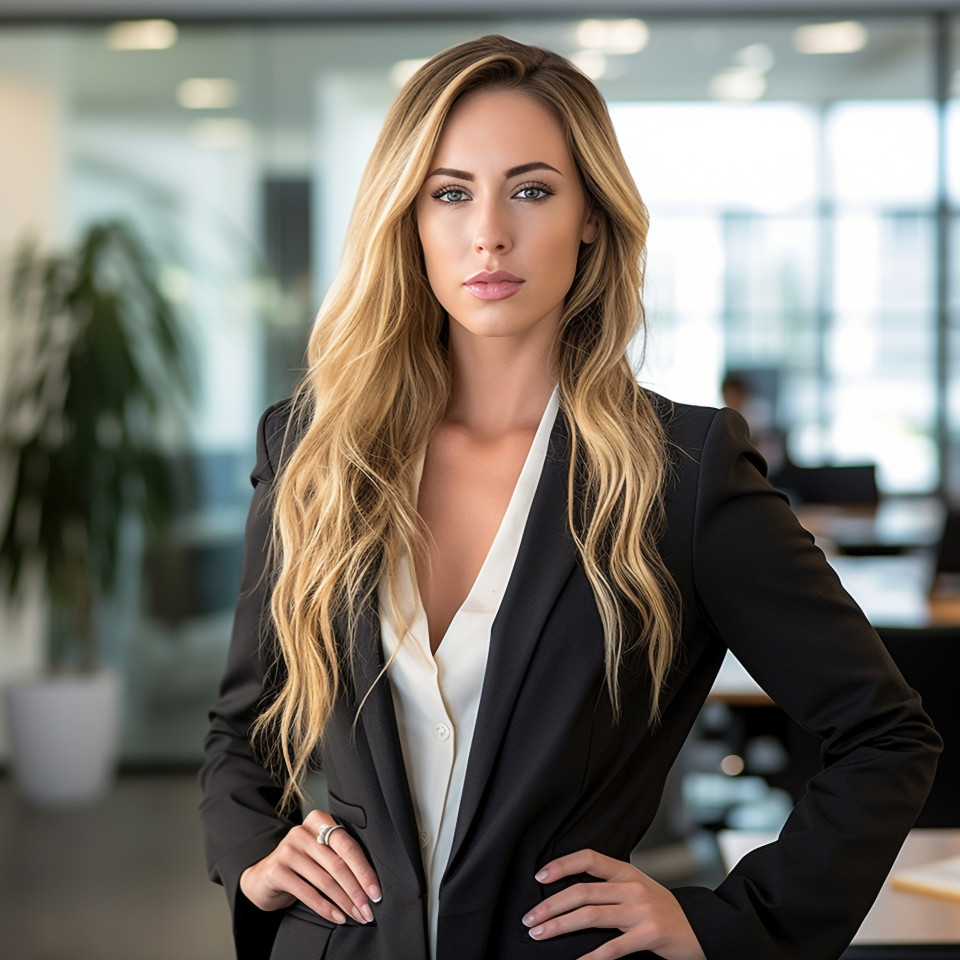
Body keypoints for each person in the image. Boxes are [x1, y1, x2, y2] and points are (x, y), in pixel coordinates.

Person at [199, 35, 940, 960]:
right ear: (409, 216)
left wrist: (731, 923)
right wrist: (255, 854)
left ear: (591, 215)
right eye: (451, 191)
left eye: (533, 189)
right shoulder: (313, 449)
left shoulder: (679, 467)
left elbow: (884, 735)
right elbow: (242, 729)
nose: (489, 234)